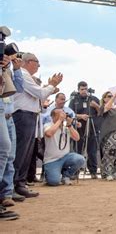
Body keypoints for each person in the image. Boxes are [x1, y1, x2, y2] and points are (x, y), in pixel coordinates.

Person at [12, 53, 62, 196]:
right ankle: (15, 185)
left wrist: (50, 88)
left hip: (28, 116)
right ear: (28, 62)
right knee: (20, 153)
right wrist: (52, 85)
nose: (39, 65)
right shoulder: (22, 73)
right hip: (22, 115)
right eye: (37, 62)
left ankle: (20, 184)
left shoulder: (26, 76)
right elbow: (40, 93)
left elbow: (39, 94)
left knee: (27, 154)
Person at [0, 54, 24, 216]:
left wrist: (14, 69)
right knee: (3, 152)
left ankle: (7, 193)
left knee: (9, 155)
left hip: (8, 116)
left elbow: (18, 88)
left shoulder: (7, 70)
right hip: (3, 114)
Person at [43, 109, 85, 186]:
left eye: (63, 114)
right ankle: (48, 174)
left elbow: (77, 138)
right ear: (53, 116)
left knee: (80, 159)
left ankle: (66, 176)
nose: (63, 116)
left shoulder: (66, 127)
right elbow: (49, 133)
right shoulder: (48, 125)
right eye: (60, 114)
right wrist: (59, 120)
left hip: (65, 157)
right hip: (52, 160)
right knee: (54, 181)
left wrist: (69, 125)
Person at [69, 81, 101, 179]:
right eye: (82, 89)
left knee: (92, 151)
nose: (84, 91)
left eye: (86, 89)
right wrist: (80, 116)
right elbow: (70, 114)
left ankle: (93, 172)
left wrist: (96, 106)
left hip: (92, 128)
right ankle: (76, 171)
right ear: (78, 90)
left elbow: (101, 112)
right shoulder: (74, 100)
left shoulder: (94, 99)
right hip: (79, 128)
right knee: (78, 150)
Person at [98, 90, 116, 181]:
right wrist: (115, 95)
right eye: (108, 96)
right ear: (104, 99)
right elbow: (107, 108)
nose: (111, 97)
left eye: (111, 96)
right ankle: (107, 172)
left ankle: (115, 171)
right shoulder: (103, 107)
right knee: (109, 153)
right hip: (108, 134)